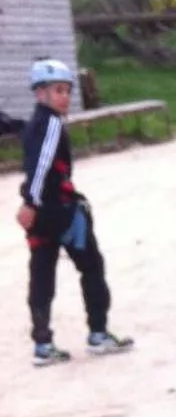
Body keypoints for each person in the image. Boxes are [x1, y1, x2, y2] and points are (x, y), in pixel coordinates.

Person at [18, 58, 132, 366]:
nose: (65, 97)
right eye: (58, 90)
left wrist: (30, 204)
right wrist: (31, 201)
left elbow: (31, 164)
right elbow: (42, 167)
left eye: (68, 90)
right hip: (61, 210)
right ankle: (98, 333)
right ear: (40, 93)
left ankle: (42, 344)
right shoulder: (52, 123)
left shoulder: (33, 124)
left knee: (41, 273)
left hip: (40, 216)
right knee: (91, 266)